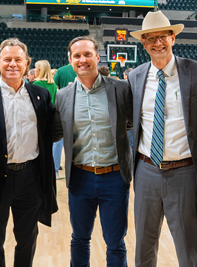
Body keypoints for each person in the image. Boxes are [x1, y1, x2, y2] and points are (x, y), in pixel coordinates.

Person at [127, 10, 197, 267]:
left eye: (163, 36)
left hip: (184, 172)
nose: (157, 43)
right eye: (151, 38)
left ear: (173, 38)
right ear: (144, 43)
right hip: (146, 171)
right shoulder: (135, 76)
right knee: (143, 244)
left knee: (187, 246)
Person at [0, 38, 58, 267]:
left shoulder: (40, 95)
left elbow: (48, 133)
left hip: (30, 177)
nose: (12, 64)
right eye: (7, 59)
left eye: (18, 59)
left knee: (27, 238)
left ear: (27, 63)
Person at [52, 36, 133, 266]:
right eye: (77, 55)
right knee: (79, 239)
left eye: (87, 54)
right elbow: (56, 132)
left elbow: (131, 122)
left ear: (97, 57)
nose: (82, 60)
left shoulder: (120, 88)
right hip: (80, 177)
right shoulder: (63, 96)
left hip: (115, 177)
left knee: (115, 243)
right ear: (70, 60)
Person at [32, 60, 60, 178]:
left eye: (36, 68)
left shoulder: (37, 83)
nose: (34, 70)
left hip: (38, 121)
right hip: (50, 119)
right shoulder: (53, 85)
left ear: (40, 70)